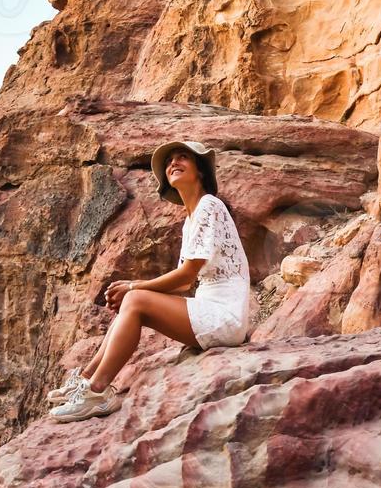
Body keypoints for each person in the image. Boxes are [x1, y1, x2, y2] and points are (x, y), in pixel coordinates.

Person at [50, 140, 252, 423]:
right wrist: (134, 286)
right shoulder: (191, 219)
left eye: (183, 157)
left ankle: (97, 392)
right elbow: (183, 284)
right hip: (210, 310)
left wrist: (134, 286)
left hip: (224, 316)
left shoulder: (210, 205)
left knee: (135, 299)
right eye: (169, 161)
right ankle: (85, 379)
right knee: (131, 303)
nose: (173, 163)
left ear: (201, 172)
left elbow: (186, 276)